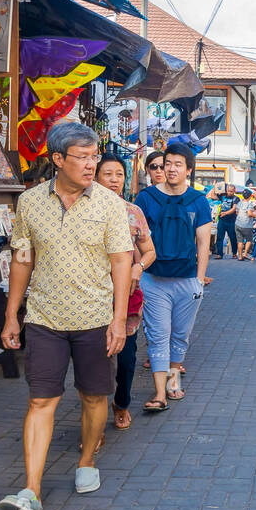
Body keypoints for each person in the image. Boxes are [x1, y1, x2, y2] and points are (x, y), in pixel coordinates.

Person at [0, 122, 133, 510]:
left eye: (95, 156)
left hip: (95, 317)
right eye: (83, 157)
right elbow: (23, 259)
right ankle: (31, 489)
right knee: (41, 400)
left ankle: (87, 460)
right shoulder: (29, 203)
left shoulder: (110, 205)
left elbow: (122, 261)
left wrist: (119, 318)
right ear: (58, 160)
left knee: (93, 397)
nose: (93, 164)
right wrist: (11, 315)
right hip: (44, 317)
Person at [135, 143, 212, 413]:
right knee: (158, 335)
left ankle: (173, 379)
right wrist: (139, 270)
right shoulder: (145, 199)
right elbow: (135, 238)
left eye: (178, 164)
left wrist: (199, 280)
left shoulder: (199, 201)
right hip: (154, 280)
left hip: (187, 280)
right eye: (167, 163)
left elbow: (203, 242)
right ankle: (159, 394)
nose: (170, 168)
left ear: (188, 170)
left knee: (180, 335)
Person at [96, 154, 156, 430]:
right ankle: (93, 419)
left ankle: (121, 403)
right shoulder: (84, 210)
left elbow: (150, 251)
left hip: (126, 298)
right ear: (95, 176)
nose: (113, 180)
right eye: (107, 174)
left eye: (118, 174)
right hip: (91, 296)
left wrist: (138, 267)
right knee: (95, 360)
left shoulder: (133, 212)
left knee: (127, 359)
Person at [214, 184, 239, 259]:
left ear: (234, 191)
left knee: (232, 238)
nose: (230, 192)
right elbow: (212, 196)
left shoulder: (236, 198)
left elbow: (234, 209)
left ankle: (234, 253)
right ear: (226, 190)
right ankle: (219, 254)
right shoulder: (223, 196)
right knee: (219, 237)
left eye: (231, 191)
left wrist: (225, 213)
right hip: (222, 220)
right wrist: (215, 188)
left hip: (231, 221)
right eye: (228, 191)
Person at [235, 189, 256, 260]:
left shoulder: (239, 202)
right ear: (250, 196)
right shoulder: (249, 203)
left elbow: (236, 212)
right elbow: (249, 213)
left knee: (240, 241)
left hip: (238, 224)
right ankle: (245, 254)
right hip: (246, 225)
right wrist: (255, 215)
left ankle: (240, 256)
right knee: (249, 240)